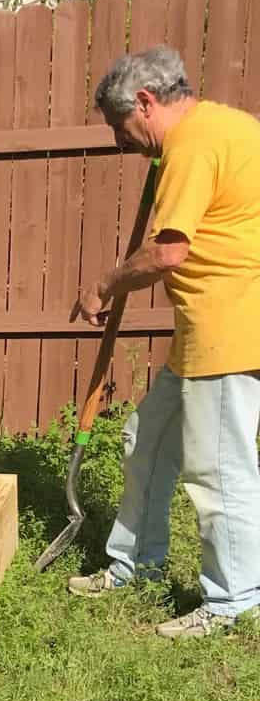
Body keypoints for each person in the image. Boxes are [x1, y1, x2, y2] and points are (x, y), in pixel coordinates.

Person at [66, 45, 260, 638]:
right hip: (205, 329)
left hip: (229, 330)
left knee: (218, 469)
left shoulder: (195, 143)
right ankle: (135, 563)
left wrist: (102, 283)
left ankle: (233, 602)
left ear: (145, 104)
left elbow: (168, 251)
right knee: (144, 441)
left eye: (120, 128)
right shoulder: (227, 126)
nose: (120, 142)